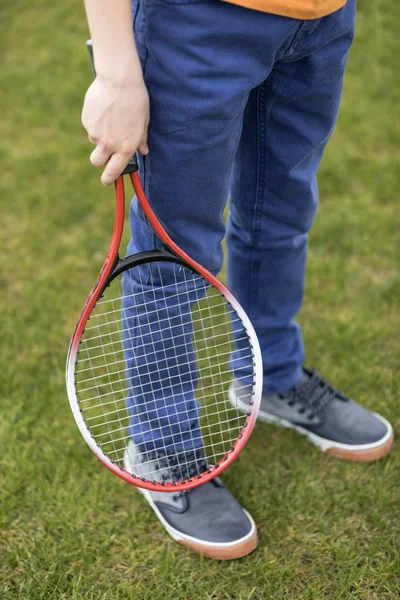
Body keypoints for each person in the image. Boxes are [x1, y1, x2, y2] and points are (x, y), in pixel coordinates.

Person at [81, 0, 394, 560]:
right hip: (198, 24)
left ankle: (270, 377)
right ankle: (163, 449)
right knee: (175, 252)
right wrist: (115, 70)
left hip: (322, 21)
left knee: (279, 215)